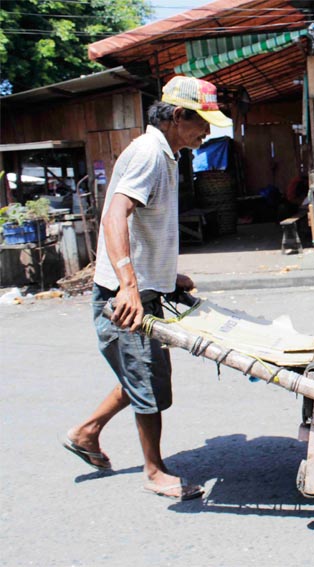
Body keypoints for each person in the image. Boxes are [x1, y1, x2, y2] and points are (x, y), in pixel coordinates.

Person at [62, 76, 232, 501]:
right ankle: (154, 471)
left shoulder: (169, 154)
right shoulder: (149, 153)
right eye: (201, 123)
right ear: (178, 116)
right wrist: (130, 287)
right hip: (124, 296)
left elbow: (145, 227)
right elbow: (115, 216)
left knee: (141, 373)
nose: (206, 132)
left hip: (145, 288)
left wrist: (165, 277)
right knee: (148, 382)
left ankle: (87, 432)